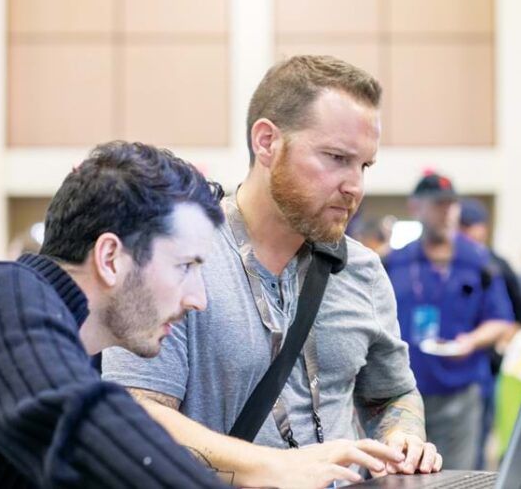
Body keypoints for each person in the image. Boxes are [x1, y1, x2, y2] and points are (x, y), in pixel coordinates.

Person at [103, 55, 441, 483]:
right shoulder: (169, 258)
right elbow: (136, 417)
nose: (355, 185)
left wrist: (402, 435)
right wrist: (273, 467)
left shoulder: (363, 271)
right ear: (266, 142)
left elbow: (392, 392)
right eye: (336, 157)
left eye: (364, 165)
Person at [0, 141, 236, 487]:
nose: (198, 300)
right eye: (184, 266)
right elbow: (87, 426)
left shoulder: (71, 357)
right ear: (110, 258)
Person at [384, 173, 514, 470]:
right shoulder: (394, 262)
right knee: (403, 474)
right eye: (438, 205)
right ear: (416, 207)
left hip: (460, 391)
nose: (447, 212)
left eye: (452, 205)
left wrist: (472, 341)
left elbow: (500, 320)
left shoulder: (479, 262)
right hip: (403, 392)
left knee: (457, 474)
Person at [458, 197, 521, 469]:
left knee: (478, 439)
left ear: (483, 229)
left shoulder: (496, 265)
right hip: (456, 369)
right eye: (461, 227)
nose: (465, 233)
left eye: (470, 226)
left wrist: (499, 338)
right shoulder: (452, 262)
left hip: (491, 366)